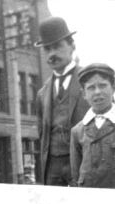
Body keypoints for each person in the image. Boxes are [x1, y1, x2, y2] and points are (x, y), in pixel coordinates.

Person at [35, 17, 89, 186]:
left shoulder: (90, 82)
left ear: (72, 46)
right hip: (52, 166)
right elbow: (42, 134)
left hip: (82, 163)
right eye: (47, 49)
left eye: (57, 46)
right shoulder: (42, 94)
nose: (52, 54)